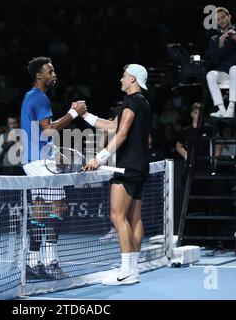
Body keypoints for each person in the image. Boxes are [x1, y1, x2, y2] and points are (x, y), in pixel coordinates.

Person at [83, 64, 150, 285]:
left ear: (133, 79)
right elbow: (112, 125)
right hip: (140, 167)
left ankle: (126, 271)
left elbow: (121, 134)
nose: (121, 79)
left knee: (116, 216)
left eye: (124, 75)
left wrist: (98, 158)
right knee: (134, 219)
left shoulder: (131, 101)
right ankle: (134, 269)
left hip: (127, 168)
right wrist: (86, 116)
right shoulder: (143, 103)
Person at [20, 56, 86, 279]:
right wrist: (74, 113)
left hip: (34, 160)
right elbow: (48, 130)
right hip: (39, 163)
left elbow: (40, 135)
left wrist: (55, 153)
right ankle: (51, 262)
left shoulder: (32, 96)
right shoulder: (39, 98)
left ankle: (32, 263)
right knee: (59, 207)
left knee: (39, 208)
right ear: (40, 75)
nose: (54, 74)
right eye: (50, 71)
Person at [207, 7, 236, 118]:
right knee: (210, 75)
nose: (221, 21)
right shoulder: (215, 39)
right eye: (218, 19)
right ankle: (221, 109)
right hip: (225, 74)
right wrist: (220, 46)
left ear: (229, 16)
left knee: (234, 69)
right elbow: (214, 59)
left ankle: (231, 108)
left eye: (223, 17)